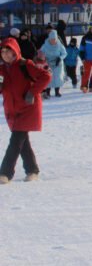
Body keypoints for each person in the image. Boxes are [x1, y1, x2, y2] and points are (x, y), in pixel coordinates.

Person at [0, 38, 51, 184]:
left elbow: (46, 76)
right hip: (12, 109)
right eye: (3, 52)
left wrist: (31, 92)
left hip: (28, 108)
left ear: (15, 51)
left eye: (8, 51)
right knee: (23, 141)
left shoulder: (25, 65)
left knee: (16, 141)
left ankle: (5, 173)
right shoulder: (2, 69)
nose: (5, 55)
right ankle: (32, 170)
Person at [40, 30, 67, 97]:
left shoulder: (59, 45)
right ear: (49, 38)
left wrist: (60, 58)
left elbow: (65, 53)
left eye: (54, 39)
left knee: (57, 77)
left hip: (58, 63)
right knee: (48, 77)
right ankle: (48, 91)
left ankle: (57, 91)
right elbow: (40, 54)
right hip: (48, 63)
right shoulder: (45, 46)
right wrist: (44, 60)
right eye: (52, 39)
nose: (53, 41)